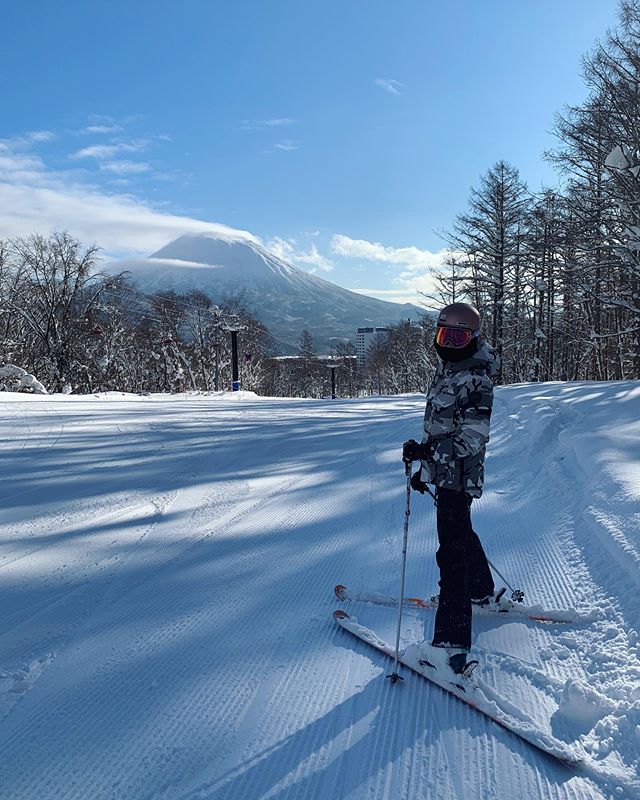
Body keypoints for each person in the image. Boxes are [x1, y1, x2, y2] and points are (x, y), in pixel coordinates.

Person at [402, 302, 500, 675]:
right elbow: (442, 427)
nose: (448, 343)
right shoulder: (449, 369)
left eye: (457, 337)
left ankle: (450, 647)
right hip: (446, 475)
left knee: (451, 555)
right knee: (460, 534)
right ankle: (481, 590)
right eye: (444, 335)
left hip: (459, 478)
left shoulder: (476, 379)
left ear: (472, 339)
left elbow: (472, 438)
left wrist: (429, 452)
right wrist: (426, 466)